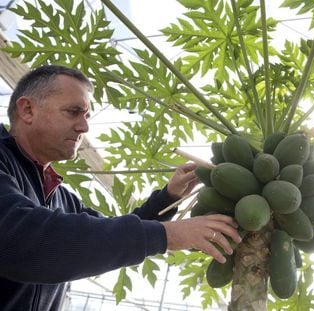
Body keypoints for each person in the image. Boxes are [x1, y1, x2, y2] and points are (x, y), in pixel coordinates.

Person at [0, 65, 241, 310]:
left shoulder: (58, 196)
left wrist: (169, 195)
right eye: (73, 112)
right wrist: (169, 234)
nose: (84, 128)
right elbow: (24, 240)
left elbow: (107, 235)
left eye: (86, 117)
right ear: (27, 110)